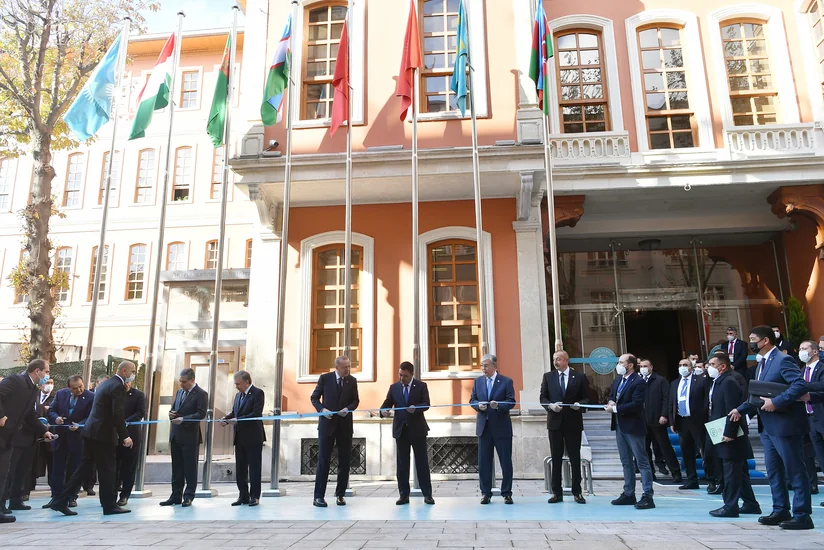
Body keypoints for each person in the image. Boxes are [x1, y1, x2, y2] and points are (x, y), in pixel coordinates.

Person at [729, 325, 812, 530]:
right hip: (767, 427)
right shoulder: (762, 364)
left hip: (785, 424)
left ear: (765, 340)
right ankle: (780, 509)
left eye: (753, 338)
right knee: (774, 471)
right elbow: (759, 394)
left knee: (795, 470)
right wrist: (740, 409)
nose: (750, 342)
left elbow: (799, 385)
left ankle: (802, 514)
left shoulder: (784, 360)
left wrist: (777, 402)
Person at [48, 361, 136, 516]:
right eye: (133, 371)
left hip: (91, 432)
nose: (133, 374)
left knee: (83, 469)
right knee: (108, 470)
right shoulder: (117, 386)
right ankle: (109, 505)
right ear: (124, 371)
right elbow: (117, 413)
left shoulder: (106, 384)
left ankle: (60, 501)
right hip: (103, 435)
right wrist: (125, 436)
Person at [706, 352, 761, 517]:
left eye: (712, 365)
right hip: (720, 430)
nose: (709, 368)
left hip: (730, 433)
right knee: (740, 472)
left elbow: (733, 410)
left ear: (722, 366)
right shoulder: (718, 381)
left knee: (731, 470)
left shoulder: (729, 381)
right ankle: (751, 504)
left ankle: (730, 506)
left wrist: (729, 432)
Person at [0, 360, 55, 523]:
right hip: (2, 434)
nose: (47, 375)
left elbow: (29, 414)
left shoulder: (33, 389)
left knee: (2, 475)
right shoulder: (15, 381)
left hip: (9, 438)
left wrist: (44, 431)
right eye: (46, 371)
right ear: (37, 371)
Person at [379, 361, 434, 505]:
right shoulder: (394, 387)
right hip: (401, 431)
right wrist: (383, 411)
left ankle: (427, 494)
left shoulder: (421, 386)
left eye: (405, 376)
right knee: (402, 464)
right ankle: (403, 495)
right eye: (400, 375)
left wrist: (416, 408)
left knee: (422, 463)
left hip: (417, 430)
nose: (402, 378)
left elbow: (426, 403)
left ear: (412, 374)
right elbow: (386, 404)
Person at [606, 354, 654, 509]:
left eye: (621, 362)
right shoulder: (618, 380)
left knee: (642, 461)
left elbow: (637, 404)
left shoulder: (638, 382)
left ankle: (647, 494)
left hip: (633, 426)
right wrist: (611, 402)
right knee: (626, 461)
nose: (619, 365)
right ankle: (628, 493)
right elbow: (612, 396)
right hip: (620, 425)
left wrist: (615, 408)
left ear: (631, 365)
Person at [310, 356, 359, 508]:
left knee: (344, 462)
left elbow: (355, 401)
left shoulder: (352, 381)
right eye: (345, 367)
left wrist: (348, 409)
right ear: (337, 367)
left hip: (344, 426)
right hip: (327, 426)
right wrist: (322, 410)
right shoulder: (325, 378)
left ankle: (341, 495)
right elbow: (314, 398)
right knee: (323, 461)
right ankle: (318, 496)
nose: (348, 369)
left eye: (349, 366)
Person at [540, 350, 588, 504]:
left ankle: (577, 491)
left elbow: (587, 397)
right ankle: (556, 492)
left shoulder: (579, 377)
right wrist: (550, 406)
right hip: (555, 423)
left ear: (566, 360)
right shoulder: (548, 377)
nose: (555, 362)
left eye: (558, 359)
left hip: (573, 422)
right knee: (556, 457)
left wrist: (579, 405)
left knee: (574, 457)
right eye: (554, 359)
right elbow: (543, 397)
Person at [470, 354, 516, 505]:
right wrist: (478, 406)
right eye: (482, 365)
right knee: (484, 463)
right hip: (484, 428)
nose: (483, 368)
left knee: (505, 462)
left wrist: (499, 406)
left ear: (495, 367)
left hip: (501, 428)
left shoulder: (506, 381)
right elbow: (472, 400)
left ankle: (507, 493)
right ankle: (485, 493)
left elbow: (511, 402)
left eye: (486, 365)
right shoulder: (478, 382)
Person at [159, 368, 208, 507]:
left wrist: (184, 419)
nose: (181, 384)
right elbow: (175, 408)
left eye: (184, 382)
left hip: (190, 436)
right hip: (176, 435)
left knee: (190, 467)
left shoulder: (201, 394)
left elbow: (201, 413)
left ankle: (189, 495)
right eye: (180, 381)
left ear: (192, 380)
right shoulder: (180, 392)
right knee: (177, 468)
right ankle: (175, 495)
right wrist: (172, 414)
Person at [46, 375, 93, 508]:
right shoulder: (61, 394)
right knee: (57, 469)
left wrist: (80, 425)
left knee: (75, 468)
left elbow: (91, 415)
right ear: (68, 388)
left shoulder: (90, 396)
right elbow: (51, 410)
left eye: (80, 386)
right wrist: (56, 419)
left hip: (78, 438)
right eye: (75, 388)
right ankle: (56, 497)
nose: (79, 390)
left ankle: (72, 496)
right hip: (61, 436)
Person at [220, 371, 265, 507]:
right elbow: (235, 412)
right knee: (240, 468)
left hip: (253, 436)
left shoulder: (258, 393)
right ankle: (243, 495)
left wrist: (237, 420)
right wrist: (226, 420)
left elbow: (256, 413)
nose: (236, 387)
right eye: (235, 384)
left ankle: (255, 496)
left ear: (247, 382)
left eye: (238, 384)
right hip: (239, 437)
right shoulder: (238, 395)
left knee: (254, 468)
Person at [639, 358, 682, 484]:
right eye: (641, 366)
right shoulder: (638, 381)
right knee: (645, 449)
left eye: (645, 365)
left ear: (651, 367)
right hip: (642, 421)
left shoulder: (660, 380)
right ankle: (650, 474)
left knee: (665, 447)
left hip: (657, 419)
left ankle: (676, 472)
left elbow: (666, 399)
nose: (643, 368)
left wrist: (664, 415)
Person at [670, 358, 708, 491]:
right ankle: (691, 479)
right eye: (680, 365)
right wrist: (672, 421)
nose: (682, 367)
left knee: (704, 449)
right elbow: (672, 403)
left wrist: (704, 416)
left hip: (698, 420)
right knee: (686, 451)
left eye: (685, 365)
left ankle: (712, 479)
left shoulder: (701, 381)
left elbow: (706, 400)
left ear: (691, 367)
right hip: (682, 420)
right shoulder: (675, 383)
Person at [798, 340, 824, 505]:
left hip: (821, 415)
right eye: (800, 349)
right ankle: (812, 484)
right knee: (817, 455)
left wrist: (804, 386)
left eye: (804, 348)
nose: (801, 352)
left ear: (814, 351)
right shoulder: (801, 371)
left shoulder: (822, 368)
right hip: (807, 418)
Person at [116, 380, 145, 506]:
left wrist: (124, 422)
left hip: (131, 435)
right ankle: (111, 494)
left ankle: (124, 495)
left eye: (128, 382)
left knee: (129, 467)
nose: (126, 385)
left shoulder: (138, 395)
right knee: (114, 466)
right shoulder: (114, 394)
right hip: (115, 435)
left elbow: (140, 412)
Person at [83, 373, 110, 498]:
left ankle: (90, 486)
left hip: (101, 435)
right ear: (97, 383)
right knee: (84, 466)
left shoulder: (107, 395)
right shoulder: (89, 396)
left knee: (96, 465)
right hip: (91, 434)